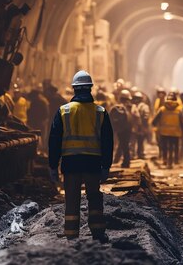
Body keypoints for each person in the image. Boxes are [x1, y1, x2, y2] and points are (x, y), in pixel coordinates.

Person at [48, 70, 114, 242]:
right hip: (93, 163)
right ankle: (98, 232)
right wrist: (106, 166)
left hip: (71, 164)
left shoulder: (64, 111)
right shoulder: (100, 112)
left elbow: (54, 140)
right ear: (90, 88)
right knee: (94, 197)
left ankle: (71, 234)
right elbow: (108, 142)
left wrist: (53, 165)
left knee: (71, 198)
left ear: (74, 89)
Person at [152, 92, 183, 168]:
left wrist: (157, 126)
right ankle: (173, 161)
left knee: (165, 147)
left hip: (164, 132)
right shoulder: (179, 110)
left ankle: (165, 160)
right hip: (176, 132)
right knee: (174, 147)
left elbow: (154, 120)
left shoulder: (162, 109)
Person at [109, 90, 133, 168]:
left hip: (120, 129)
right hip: (128, 129)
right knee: (125, 145)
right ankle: (126, 162)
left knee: (122, 144)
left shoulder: (116, 107)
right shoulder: (130, 106)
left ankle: (123, 161)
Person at [133, 91, 150, 159]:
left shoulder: (144, 106)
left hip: (142, 126)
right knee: (136, 141)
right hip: (135, 127)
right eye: (135, 98)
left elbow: (146, 116)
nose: (135, 100)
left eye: (137, 98)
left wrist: (143, 124)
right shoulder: (134, 106)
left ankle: (140, 154)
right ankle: (137, 154)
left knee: (141, 141)